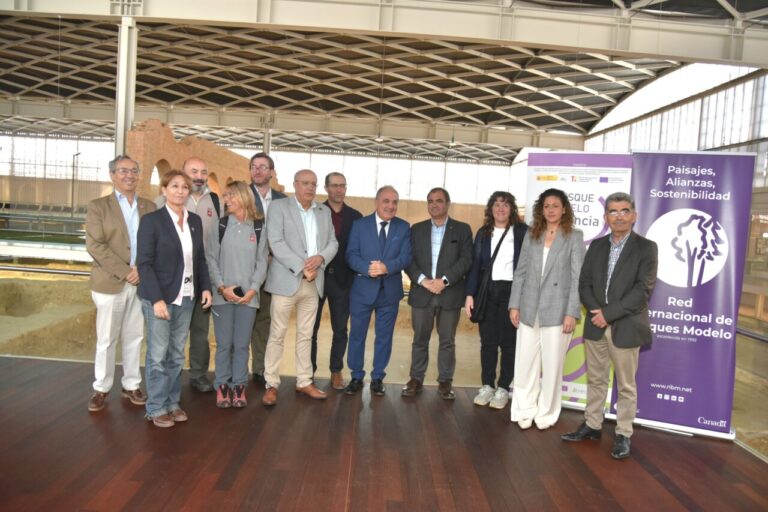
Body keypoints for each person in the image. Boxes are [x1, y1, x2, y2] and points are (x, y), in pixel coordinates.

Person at [561, 192, 658, 460]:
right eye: (613, 212)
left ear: (634, 216)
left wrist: (608, 314)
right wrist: (598, 313)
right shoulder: (597, 246)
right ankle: (592, 425)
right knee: (596, 379)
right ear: (606, 217)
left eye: (624, 211)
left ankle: (623, 433)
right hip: (596, 325)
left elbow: (642, 290)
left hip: (626, 326)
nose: (619, 216)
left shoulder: (646, 248)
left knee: (626, 385)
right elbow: (584, 283)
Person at [137, 170, 213, 428]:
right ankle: (156, 407)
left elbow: (199, 258)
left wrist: (205, 287)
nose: (180, 191)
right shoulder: (152, 221)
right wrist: (156, 299)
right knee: (158, 355)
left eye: (184, 187)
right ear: (164, 190)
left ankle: (172, 402)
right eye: (174, 186)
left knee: (177, 354)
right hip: (160, 297)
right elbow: (144, 264)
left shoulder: (195, 221)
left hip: (187, 296)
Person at [508, 188, 585, 430]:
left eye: (555, 205)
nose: (551, 210)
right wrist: (514, 304)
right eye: (546, 206)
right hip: (529, 309)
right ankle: (524, 409)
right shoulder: (532, 234)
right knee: (524, 364)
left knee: (552, 367)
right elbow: (520, 272)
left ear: (564, 209)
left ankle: (546, 413)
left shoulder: (574, 236)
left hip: (558, 312)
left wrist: (571, 311)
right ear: (541, 210)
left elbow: (578, 278)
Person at [260, 170, 338, 406]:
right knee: (277, 334)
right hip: (286, 281)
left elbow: (333, 242)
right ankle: (271, 384)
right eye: (305, 183)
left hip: (313, 283)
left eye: (314, 184)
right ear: (295, 184)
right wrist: (302, 267)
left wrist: (320, 259)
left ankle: (304, 381)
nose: (310, 188)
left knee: (306, 335)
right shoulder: (278, 207)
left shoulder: (323, 211)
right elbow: (276, 242)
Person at [85, 155, 156, 412]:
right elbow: (95, 245)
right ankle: (101, 388)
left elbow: (155, 242)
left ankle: (131, 384)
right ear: (112, 174)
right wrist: (126, 272)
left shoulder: (149, 206)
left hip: (140, 282)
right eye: (124, 170)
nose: (129, 175)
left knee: (135, 336)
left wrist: (141, 270)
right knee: (107, 338)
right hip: (110, 282)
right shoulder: (98, 207)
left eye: (134, 171)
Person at [154, 157, 219, 393]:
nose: (199, 176)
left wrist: (210, 282)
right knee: (167, 337)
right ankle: (165, 383)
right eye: (194, 171)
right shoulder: (161, 203)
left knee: (200, 332)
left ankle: (198, 375)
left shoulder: (215, 201)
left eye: (203, 172)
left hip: (201, 277)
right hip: (170, 281)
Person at [402, 187, 473, 400]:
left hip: (449, 293)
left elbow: (466, 260)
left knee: (447, 341)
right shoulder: (416, 229)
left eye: (439, 201)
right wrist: (423, 281)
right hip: (422, 293)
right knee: (419, 339)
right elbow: (408, 259)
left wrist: (444, 281)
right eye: (430, 201)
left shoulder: (462, 229)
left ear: (448, 204)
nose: (434, 204)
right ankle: (416, 379)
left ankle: (445, 382)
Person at [205, 181, 268, 408]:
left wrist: (252, 290)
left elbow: (262, 262)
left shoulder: (258, 227)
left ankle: (239, 386)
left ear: (244, 197)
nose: (227, 199)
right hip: (222, 297)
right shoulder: (220, 225)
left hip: (249, 298)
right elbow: (211, 259)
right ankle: (222, 386)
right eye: (225, 196)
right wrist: (222, 288)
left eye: (231, 195)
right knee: (224, 344)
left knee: (242, 345)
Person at [344, 186, 411, 396]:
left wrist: (386, 267)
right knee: (357, 335)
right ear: (376, 202)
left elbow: (406, 257)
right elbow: (351, 254)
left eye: (395, 202)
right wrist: (368, 268)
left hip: (389, 292)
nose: (391, 206)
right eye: (386, 201)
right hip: (362, 291)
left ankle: (378, 377)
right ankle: (356, 376)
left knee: (384, 337)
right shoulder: (360, 225)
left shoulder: (403, 227)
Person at [464, 192, 527, 409]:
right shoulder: (483, 233)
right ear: (491, 209)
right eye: (497, 204)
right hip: (487, 292)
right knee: (488, 342)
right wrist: (469, 294)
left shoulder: (522, 232)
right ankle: (487, 385)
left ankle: (503, 388)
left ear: (512, 209)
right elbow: (475, 266)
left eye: (505, 205)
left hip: (512, 292)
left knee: (509, 343)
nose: (501, 208)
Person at [310, 172, 362, 390]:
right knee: (310, 330)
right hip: (316, 277)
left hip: (343, 280)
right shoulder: (315, 212)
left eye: (342, 185)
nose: (339, 190)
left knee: (340, 329)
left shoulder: (356, 217)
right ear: (326, 188)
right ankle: (308, 373)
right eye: (334, 185)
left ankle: (336, 371)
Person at [247, 152, 287, 386]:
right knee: (243, 321)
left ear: (271, 172)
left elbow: (288, 233)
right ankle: (235, 371)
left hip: (273, 269)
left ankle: (260, 369)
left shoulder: (283, 200)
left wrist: (274, 255)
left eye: (263, 167)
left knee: (264, 320)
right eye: (254, 166)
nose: (258, 170)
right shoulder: (242, 195)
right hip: (245, 269)